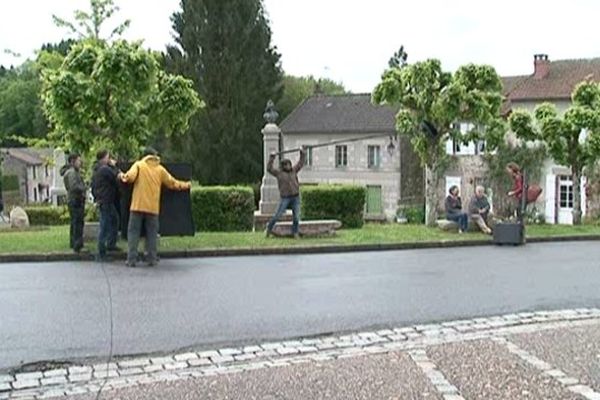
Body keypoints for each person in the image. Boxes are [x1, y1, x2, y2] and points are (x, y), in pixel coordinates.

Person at [120, 147, 191, 267]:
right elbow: (172, 183)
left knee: (133, 233)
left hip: (137, 205)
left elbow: (130, 178)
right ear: (154, 156)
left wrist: (122, 175)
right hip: (153, 207)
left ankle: (132, 259)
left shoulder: (139, 165)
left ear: (144, 155)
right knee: (152, 234)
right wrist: (186, 185)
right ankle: (151, 258)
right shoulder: (160, 169)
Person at [266, 147, 307, 239]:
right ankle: (269, 229)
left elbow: (301, 163)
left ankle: (295, 232)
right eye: (286, 165)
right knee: (277, 215)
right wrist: (272, 158)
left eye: (289, 164)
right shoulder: (278, 173)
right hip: (285, 197)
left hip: (295, 197)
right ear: (283, 166)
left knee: (296, 217)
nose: (288, 166)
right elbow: (269, 168)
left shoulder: (294, 170)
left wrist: (302, 153)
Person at [92, 150, 123, 261]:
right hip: (106, 200)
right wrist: (115, 166)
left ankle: (111, 244)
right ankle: (101, 253)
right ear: (104, 158)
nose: (109, 159)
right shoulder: (104, 169)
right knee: (104, 226)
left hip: (104, 199)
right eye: (108, 157)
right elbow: (116, 176)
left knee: (114, 220)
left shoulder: (97, 168)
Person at [60, 153, 87, 253]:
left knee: (75, 222)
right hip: (76, 200)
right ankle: (77, 244)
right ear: (72, 161)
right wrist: (84, 187)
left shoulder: (73, 172)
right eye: (78, 161)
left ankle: (75, 243)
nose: (80, 163)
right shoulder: (72, 173)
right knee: (77, 223)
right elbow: (74, 186)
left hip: (75, 200)